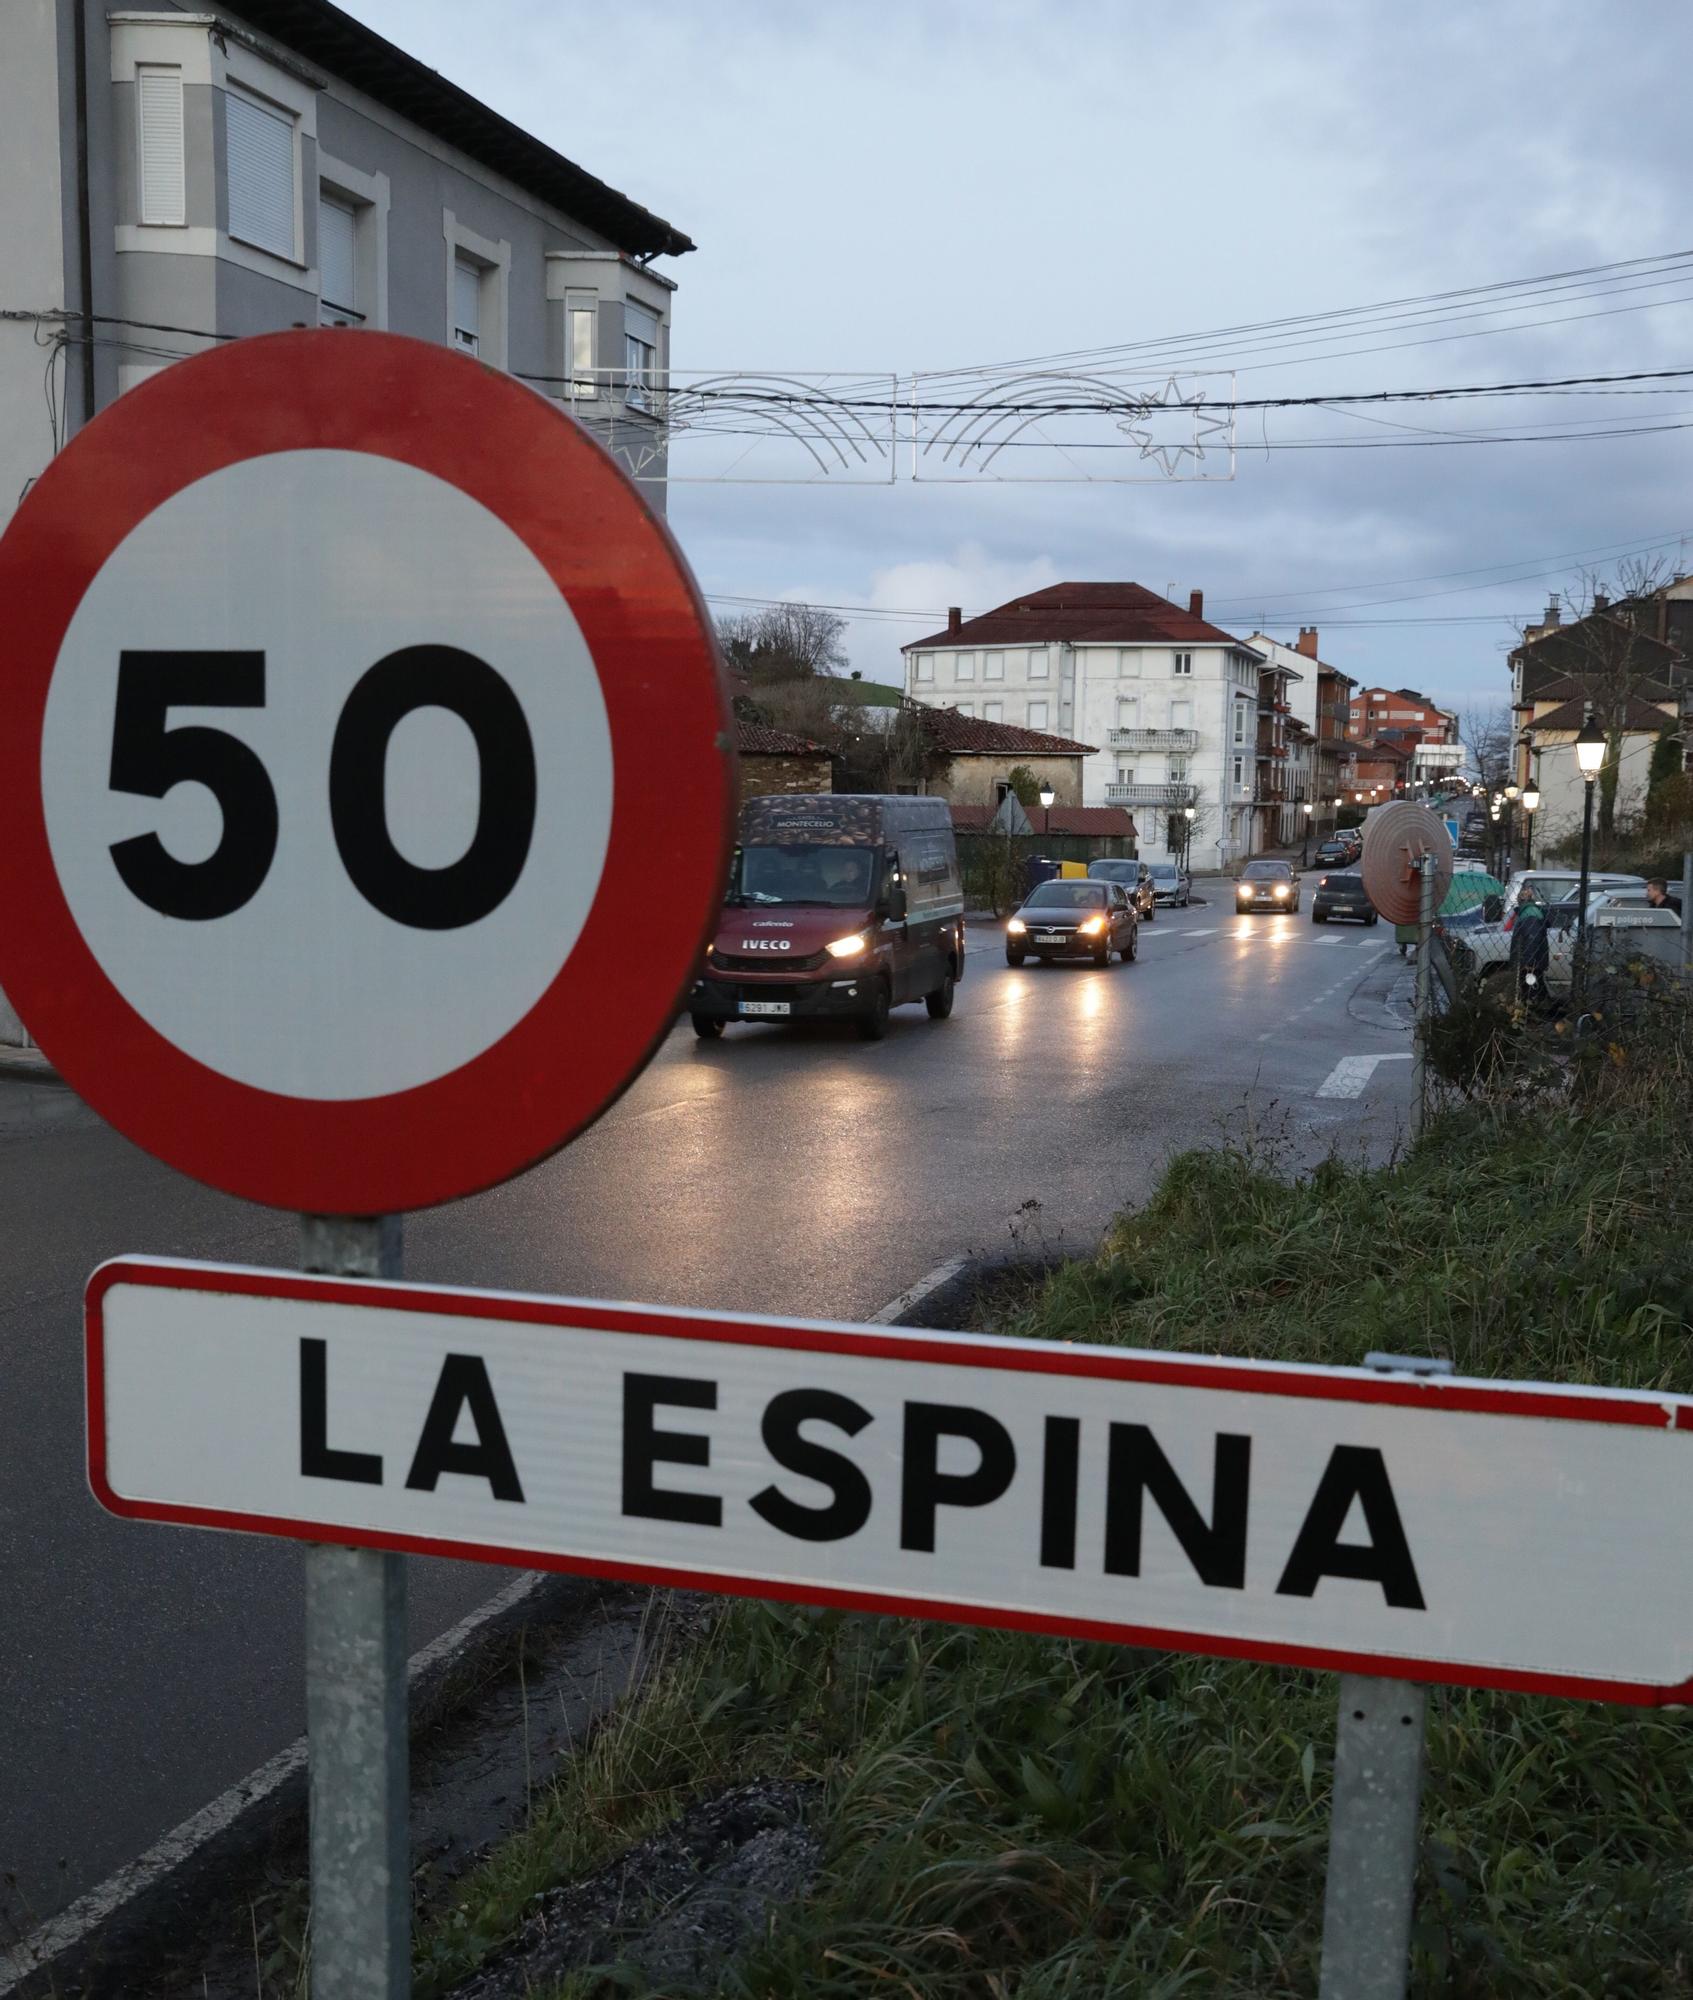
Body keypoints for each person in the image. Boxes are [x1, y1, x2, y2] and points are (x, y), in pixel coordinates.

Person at [1509, 882, 1551, 1011]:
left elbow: (1532, 939)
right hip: (1535, 959)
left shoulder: (1529, 914)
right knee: (1535, 985)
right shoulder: (1530, 912)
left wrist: (1529, 962)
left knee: (1530, 988)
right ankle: (1540, 1008)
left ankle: (1533, 1011)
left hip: (1530, 961)